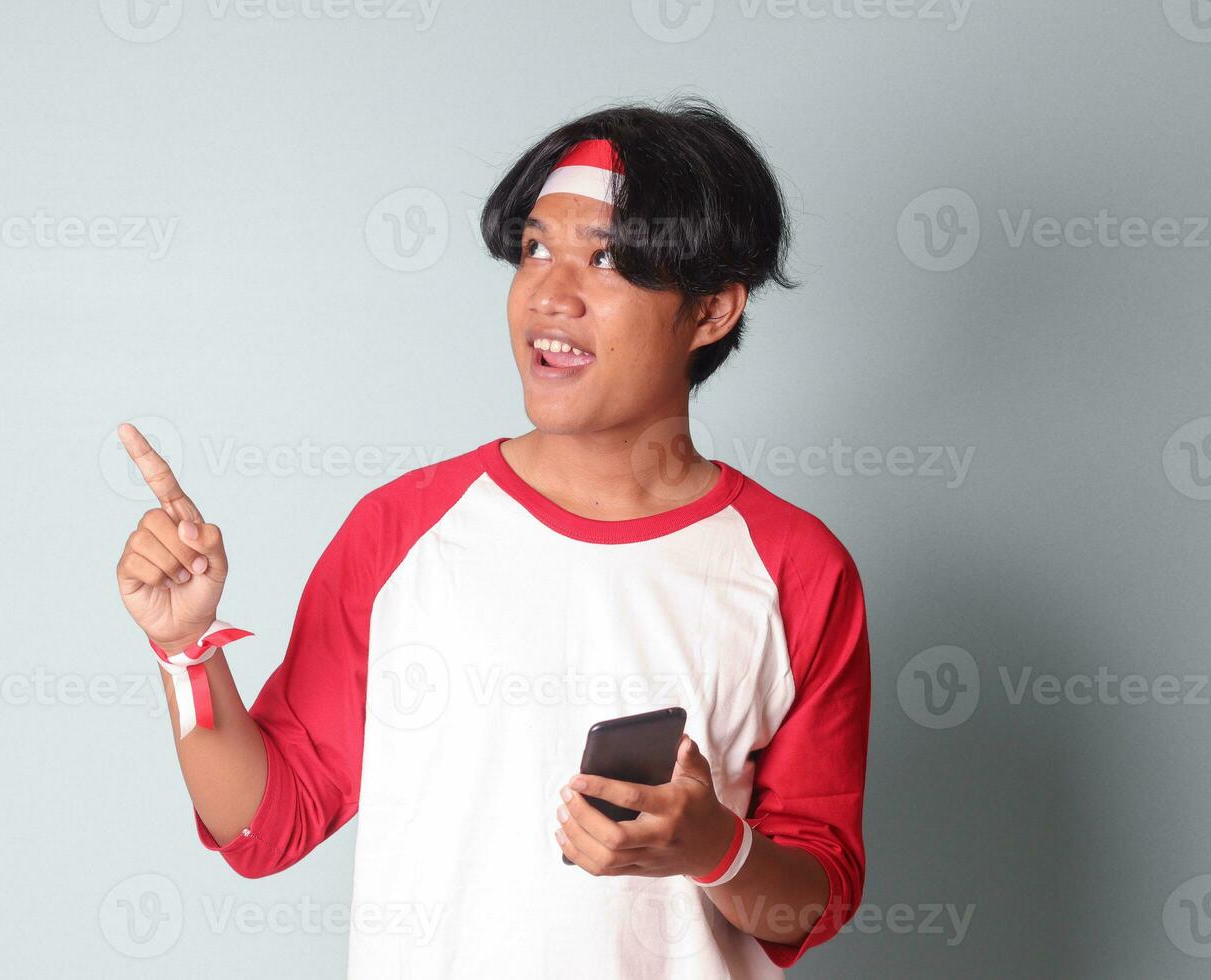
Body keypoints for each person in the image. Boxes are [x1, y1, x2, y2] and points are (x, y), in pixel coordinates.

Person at [114, 97, 870, 978]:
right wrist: (184, 650)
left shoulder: (797, 570)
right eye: (536, 249)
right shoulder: (401, 530)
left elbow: (812, 899)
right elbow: (262, 826)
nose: (551, 294)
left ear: (711, 313)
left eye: (609, 260)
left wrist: (713, 848)